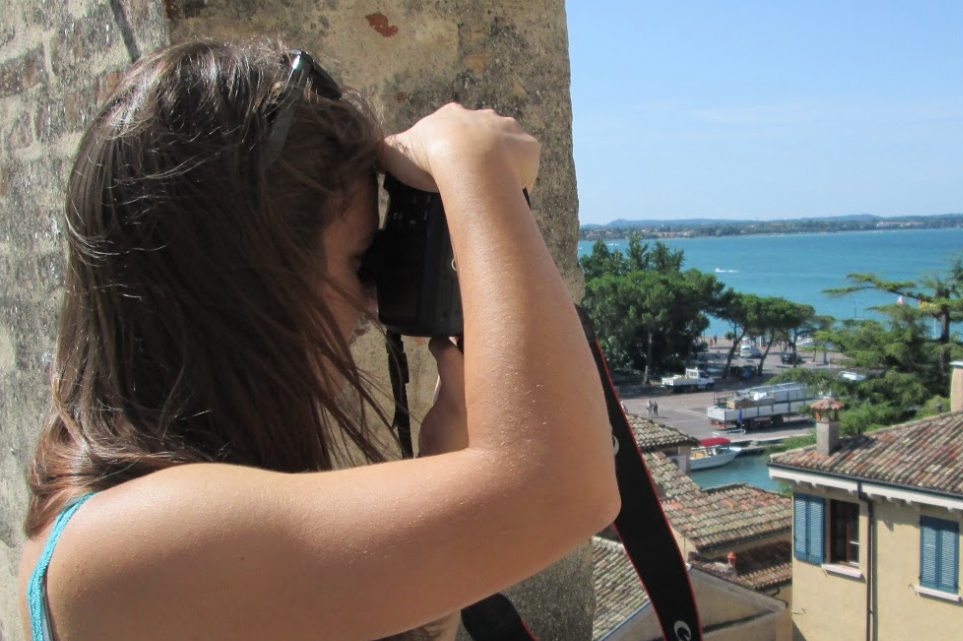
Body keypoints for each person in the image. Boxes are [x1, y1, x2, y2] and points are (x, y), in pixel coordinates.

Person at [17, 41, 619, 641]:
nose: (370, 303)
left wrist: (448, 473)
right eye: (359, 262)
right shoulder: (125, 546)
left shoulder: (130, 527)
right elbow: (564, 487)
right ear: (248, 282)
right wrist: (476, 164)